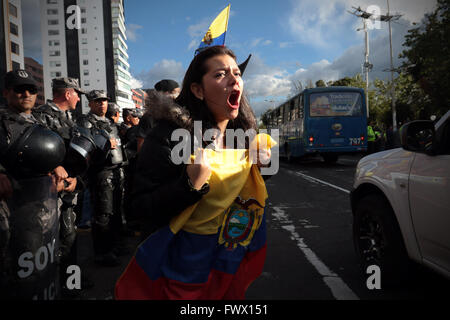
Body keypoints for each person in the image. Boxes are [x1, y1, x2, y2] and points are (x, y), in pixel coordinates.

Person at [116, 46, 274, 300]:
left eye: (236, 73)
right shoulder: (169, 136)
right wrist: (189, 186)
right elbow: (138, 208)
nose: (234, 79)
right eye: (221, 74)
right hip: (184, 271)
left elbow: (237, 190)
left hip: (229, 259)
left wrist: (260, 170)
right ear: (198, 90)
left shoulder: (244, 136)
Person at [0, 70, 66, 299]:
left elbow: (50, 150)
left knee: (41, 255)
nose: (26, 94)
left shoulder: (41, 122)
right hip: (10, 206)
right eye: (19, 89)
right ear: (6, 92)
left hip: (39, 202)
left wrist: (57, 165)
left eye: (31, 89)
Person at [33, 77, 94, 297]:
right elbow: (35, 152)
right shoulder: (40, 116)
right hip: (49, 193)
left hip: (71, 189)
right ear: (68, 93)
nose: (79, 98)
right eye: (78, 94)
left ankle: (72, 284)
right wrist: (55, 167)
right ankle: (54, 287)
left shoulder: (69, 118)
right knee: (48, 242)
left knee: (70, 239)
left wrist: (77, 179)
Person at [77, 91, 122, 267]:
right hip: (101, 172)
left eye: (104, 100)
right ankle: (102, 252)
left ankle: (113, 245)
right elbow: (84, 147)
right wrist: (103, 145)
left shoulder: (109, 122)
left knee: (115, 211)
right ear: (90, 104)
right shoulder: (86, 122)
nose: (102, 104)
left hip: (115, 170)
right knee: (103, 213)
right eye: (98, 101)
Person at [135, 80, 180, 153]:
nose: (178, 96)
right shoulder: (149, 117)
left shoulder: (178, 116)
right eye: (176, 92)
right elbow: (141, 147)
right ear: (166, 94)